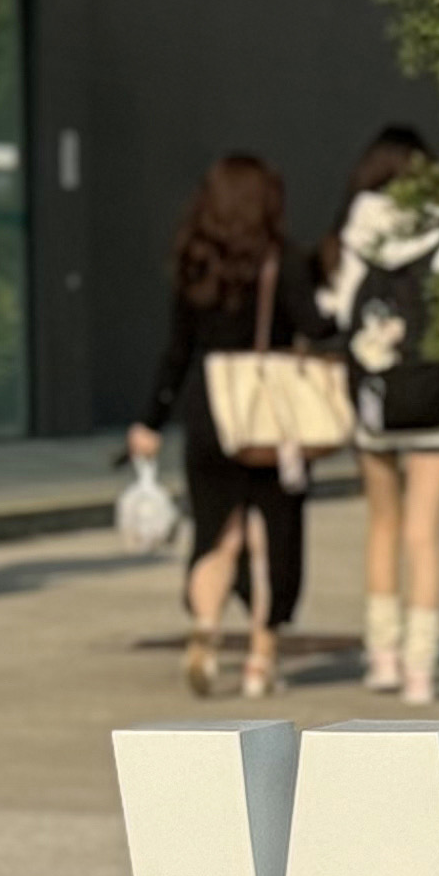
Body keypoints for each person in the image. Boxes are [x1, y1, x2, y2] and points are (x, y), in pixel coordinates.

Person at [128, 156, 327, 699]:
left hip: (209, 411)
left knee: (216, 532)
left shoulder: (196, 263)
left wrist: (150, 420)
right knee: (272, 535)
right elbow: (316, 326)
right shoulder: (284, 261)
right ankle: (261, 657)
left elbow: (176, 351)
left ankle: (205, 628)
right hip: (269, 418)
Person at [322, 126, 439, 704]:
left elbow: (337, 310)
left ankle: (382, 657)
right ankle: (421, 667)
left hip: (375, 400)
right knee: (423, 533)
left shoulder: (359, 228)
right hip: (438, 402)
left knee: (383, 525)